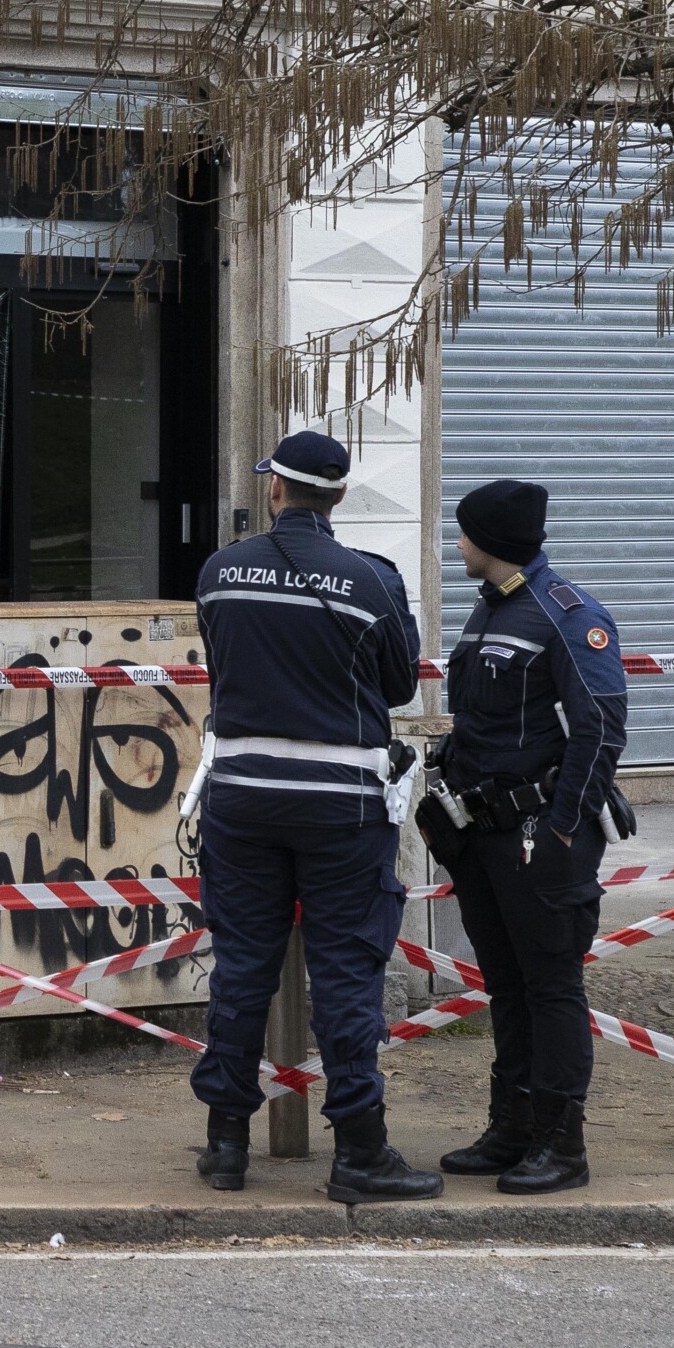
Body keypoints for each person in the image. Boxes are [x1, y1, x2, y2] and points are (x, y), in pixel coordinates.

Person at [187, 430, 441, 1203]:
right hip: (343, 807)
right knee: (345, 972)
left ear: (275, 490)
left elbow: (222, 661)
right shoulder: (372, 581)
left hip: (240, 797)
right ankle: (360, 1151)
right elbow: (399, 687)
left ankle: (226, 1142)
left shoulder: (219, 572)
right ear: (337, 496)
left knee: (242, 968)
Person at [419, 478, 627, 1195]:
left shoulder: (566, 614)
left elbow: (600, 729)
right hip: (483, 836)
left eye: (465, 533)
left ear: (493, 542)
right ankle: (512, 1126)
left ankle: (561, 1144)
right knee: (506, 985)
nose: (458, 544)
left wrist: (564, 828)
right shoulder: (491, 608)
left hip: (539, 838)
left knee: (552, 987)